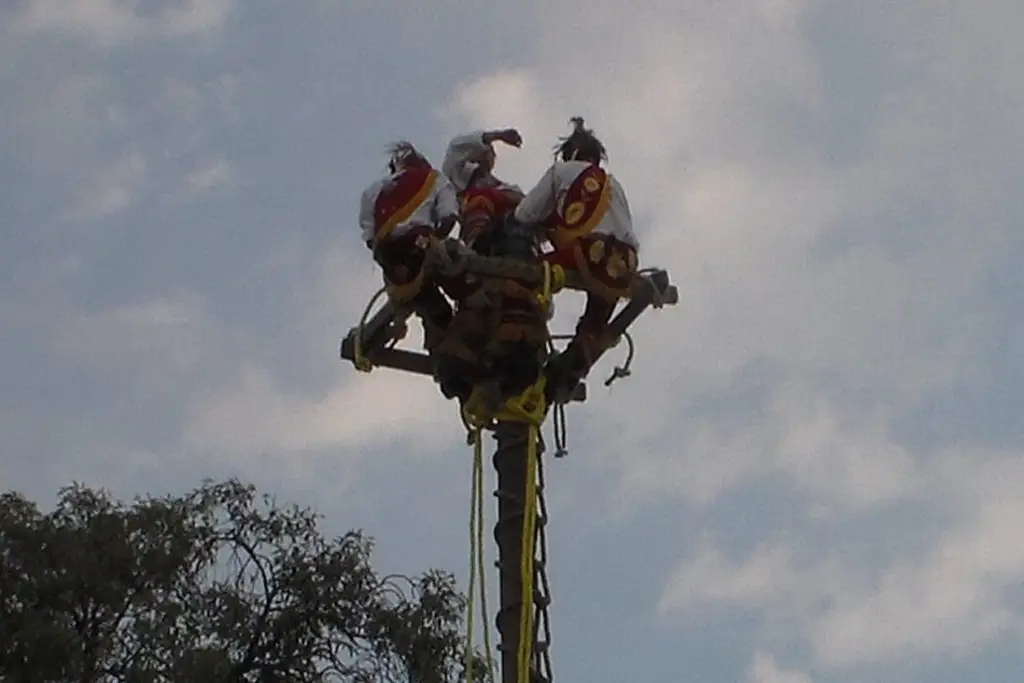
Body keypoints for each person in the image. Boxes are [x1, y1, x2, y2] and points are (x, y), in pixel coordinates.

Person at [512, 117, 641, 402]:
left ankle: (524, 341)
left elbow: (523, 215)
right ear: (597, 158)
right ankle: (577, 357)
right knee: (594, 322)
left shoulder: (561, 171)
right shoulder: (614, 184)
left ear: (569, 154)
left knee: (522, 275)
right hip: (625, 265)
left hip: (588, 253)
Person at [358, 141, 460, 352]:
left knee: (423, 300)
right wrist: (433, 243)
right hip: (420, 243)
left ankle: (437, 336)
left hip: (387, 254)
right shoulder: (434, 178)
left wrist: (392, 262)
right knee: (464, 284)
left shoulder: (372, 190)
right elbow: (449, 216)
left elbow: (369, 237)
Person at [441, 128, 526, 248]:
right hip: (477, 237)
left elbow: (528, 206)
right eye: (483, 149)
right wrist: (498, 136)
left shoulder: (508, 187)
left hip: (511, 238)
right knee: (480, 200)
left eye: (491, 150)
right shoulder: (459, 179)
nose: (487, 151)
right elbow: (456, 148)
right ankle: (476, 245)